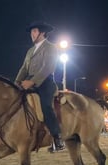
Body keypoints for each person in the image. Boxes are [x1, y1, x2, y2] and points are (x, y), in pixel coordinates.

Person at [15, 21, 65, 152]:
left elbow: (47, 67)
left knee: (46, 106)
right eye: (31, 32)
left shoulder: (51, 47)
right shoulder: (30, 50)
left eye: (34, 31)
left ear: (42, 33)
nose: (32, 34)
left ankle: (57, 137)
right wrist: (16, 82)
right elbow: (24, 68)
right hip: (29, 81)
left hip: (45, 82)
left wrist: (32, 82)